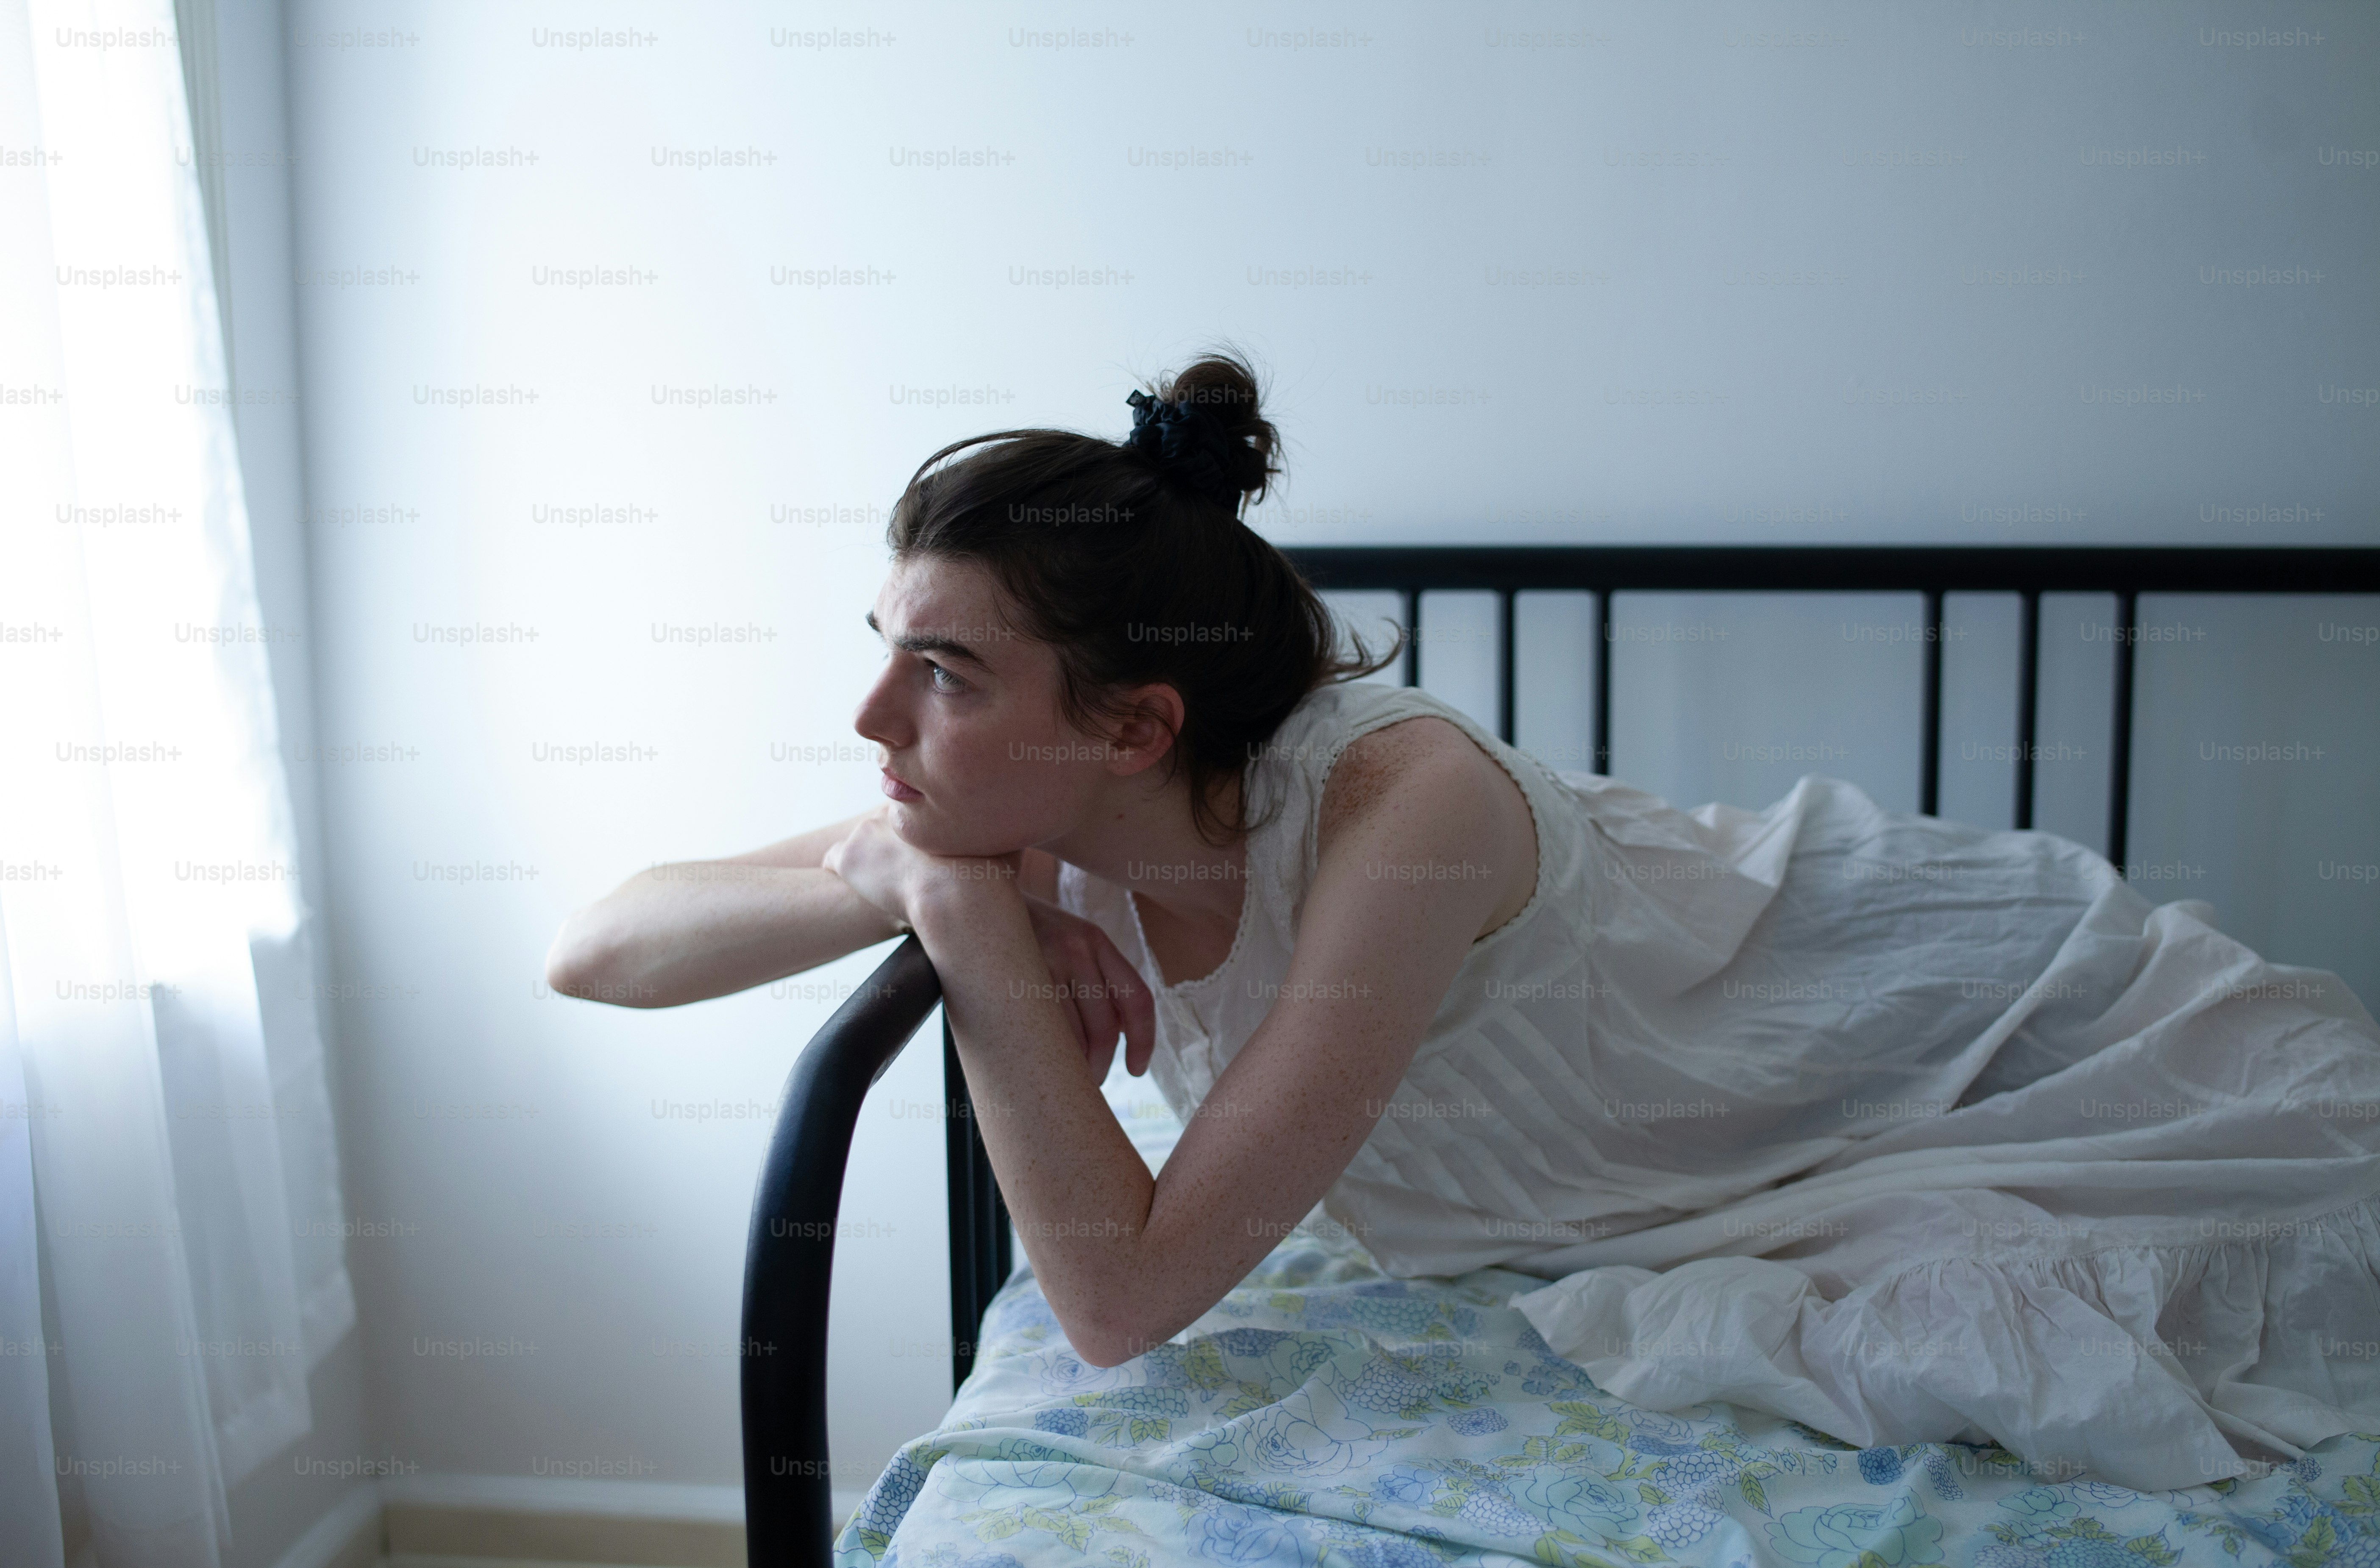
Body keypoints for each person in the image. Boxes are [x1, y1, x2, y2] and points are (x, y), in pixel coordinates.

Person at [547, 350, 2380, 1492]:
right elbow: (602, 945)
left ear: (1134, 725)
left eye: (939, 674)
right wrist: (911, 872)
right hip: (1706, 1146)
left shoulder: (1397, 807)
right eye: (882, 655)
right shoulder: (1016, 805)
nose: (875, 730)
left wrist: (965, 923)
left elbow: (1116, 1297)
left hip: (1968, 1023)